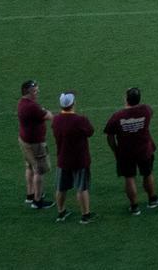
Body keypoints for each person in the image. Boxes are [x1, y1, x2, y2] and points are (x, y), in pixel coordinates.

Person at [106, 88, 158, 216]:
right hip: (144, 149)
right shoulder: (146, 110)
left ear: (126, 99)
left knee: (129, 178)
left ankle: (134, 207)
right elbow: (150, 112)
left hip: (125, 152)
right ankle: (152, 199)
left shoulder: (117, 116)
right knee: (147, 174)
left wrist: (115, 151)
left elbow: (110, 136)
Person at [52, 91, 96, 223]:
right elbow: (90, 132)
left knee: (61, 188)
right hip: (79, 159)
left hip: (63, 158)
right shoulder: (80, 120)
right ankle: (85, 215)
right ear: (73, 104)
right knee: (81, 188)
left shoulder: (56, 120)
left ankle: (61, 212)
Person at [18, 79, 55, 211]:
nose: (37, 91)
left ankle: (30, 194)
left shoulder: (22, 103)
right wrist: (45, 111)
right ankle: (37, 201)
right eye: (35, 90)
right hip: (35, 144)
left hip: (24, 141)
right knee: (39, 170)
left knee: (29, 166)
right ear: (28, 92)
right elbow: (50, 116)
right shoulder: (32, 106)